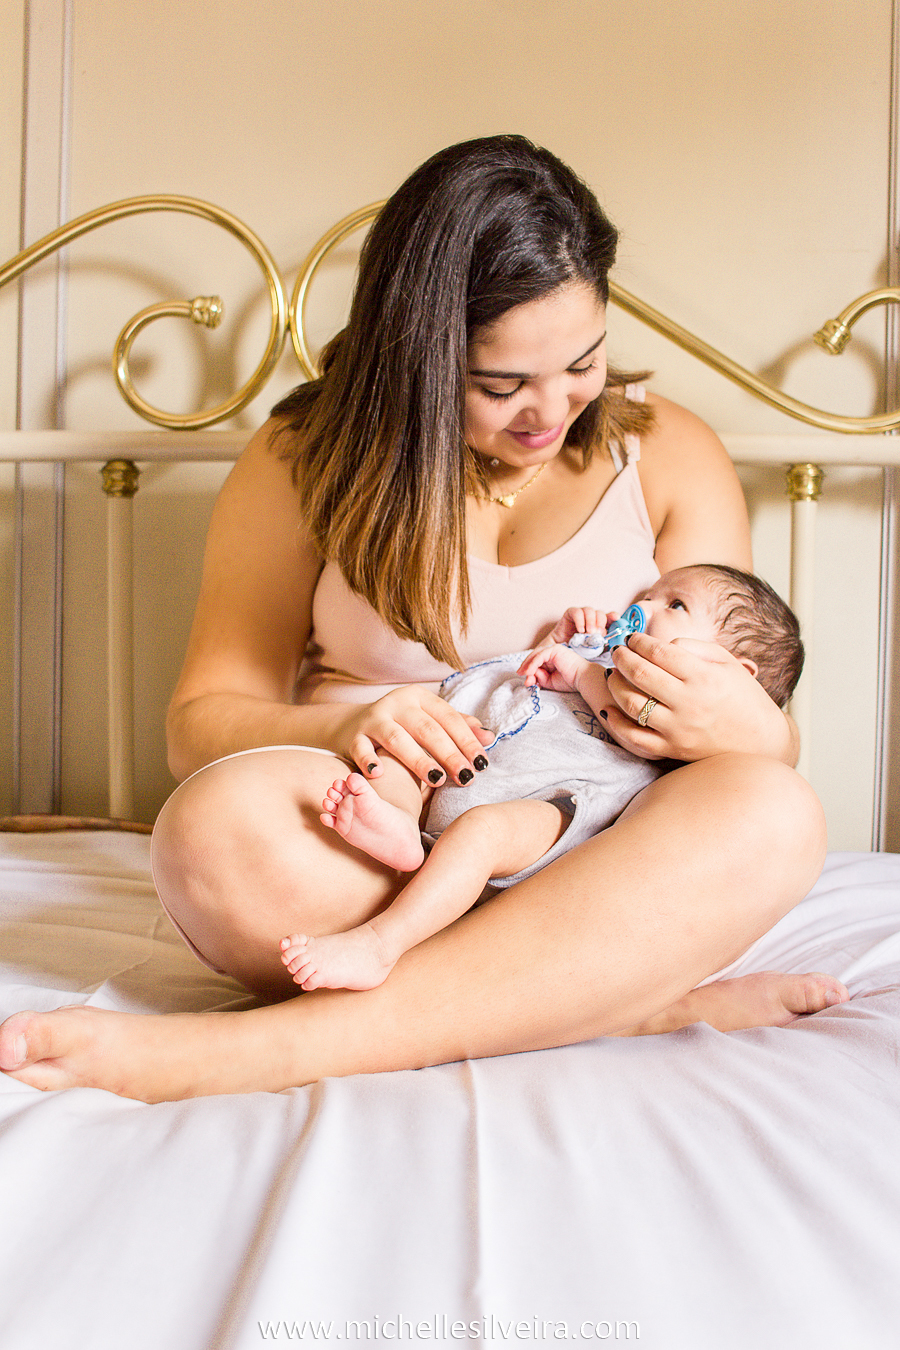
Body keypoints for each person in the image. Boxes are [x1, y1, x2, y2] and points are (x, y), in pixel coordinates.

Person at [0, 136, 829, 1103]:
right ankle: (614, 998)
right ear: (418, 353)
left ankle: (254, 1052)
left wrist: (748, 730)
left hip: (592, 850)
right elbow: (204, 720)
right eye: (498, 386)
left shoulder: (671, 453)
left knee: (772, 811)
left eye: (582, 364)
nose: (548, 412)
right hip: (382, 853)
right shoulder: (307, 457)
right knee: (211, 836)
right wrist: (349, 725)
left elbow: (754, 717)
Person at [280, 564, 844, 1009]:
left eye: (675, 605)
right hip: (472, 760)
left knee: (481, 832)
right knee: (399, 758)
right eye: (649, 593)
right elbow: (533, 687)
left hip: (560, 810)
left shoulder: (684, 708)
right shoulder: (603, 654)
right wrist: (566, 644)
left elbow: (629, 722)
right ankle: (400, 826)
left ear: (733, 676)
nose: (643, 606)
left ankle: (381, 945)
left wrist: (582, 671)